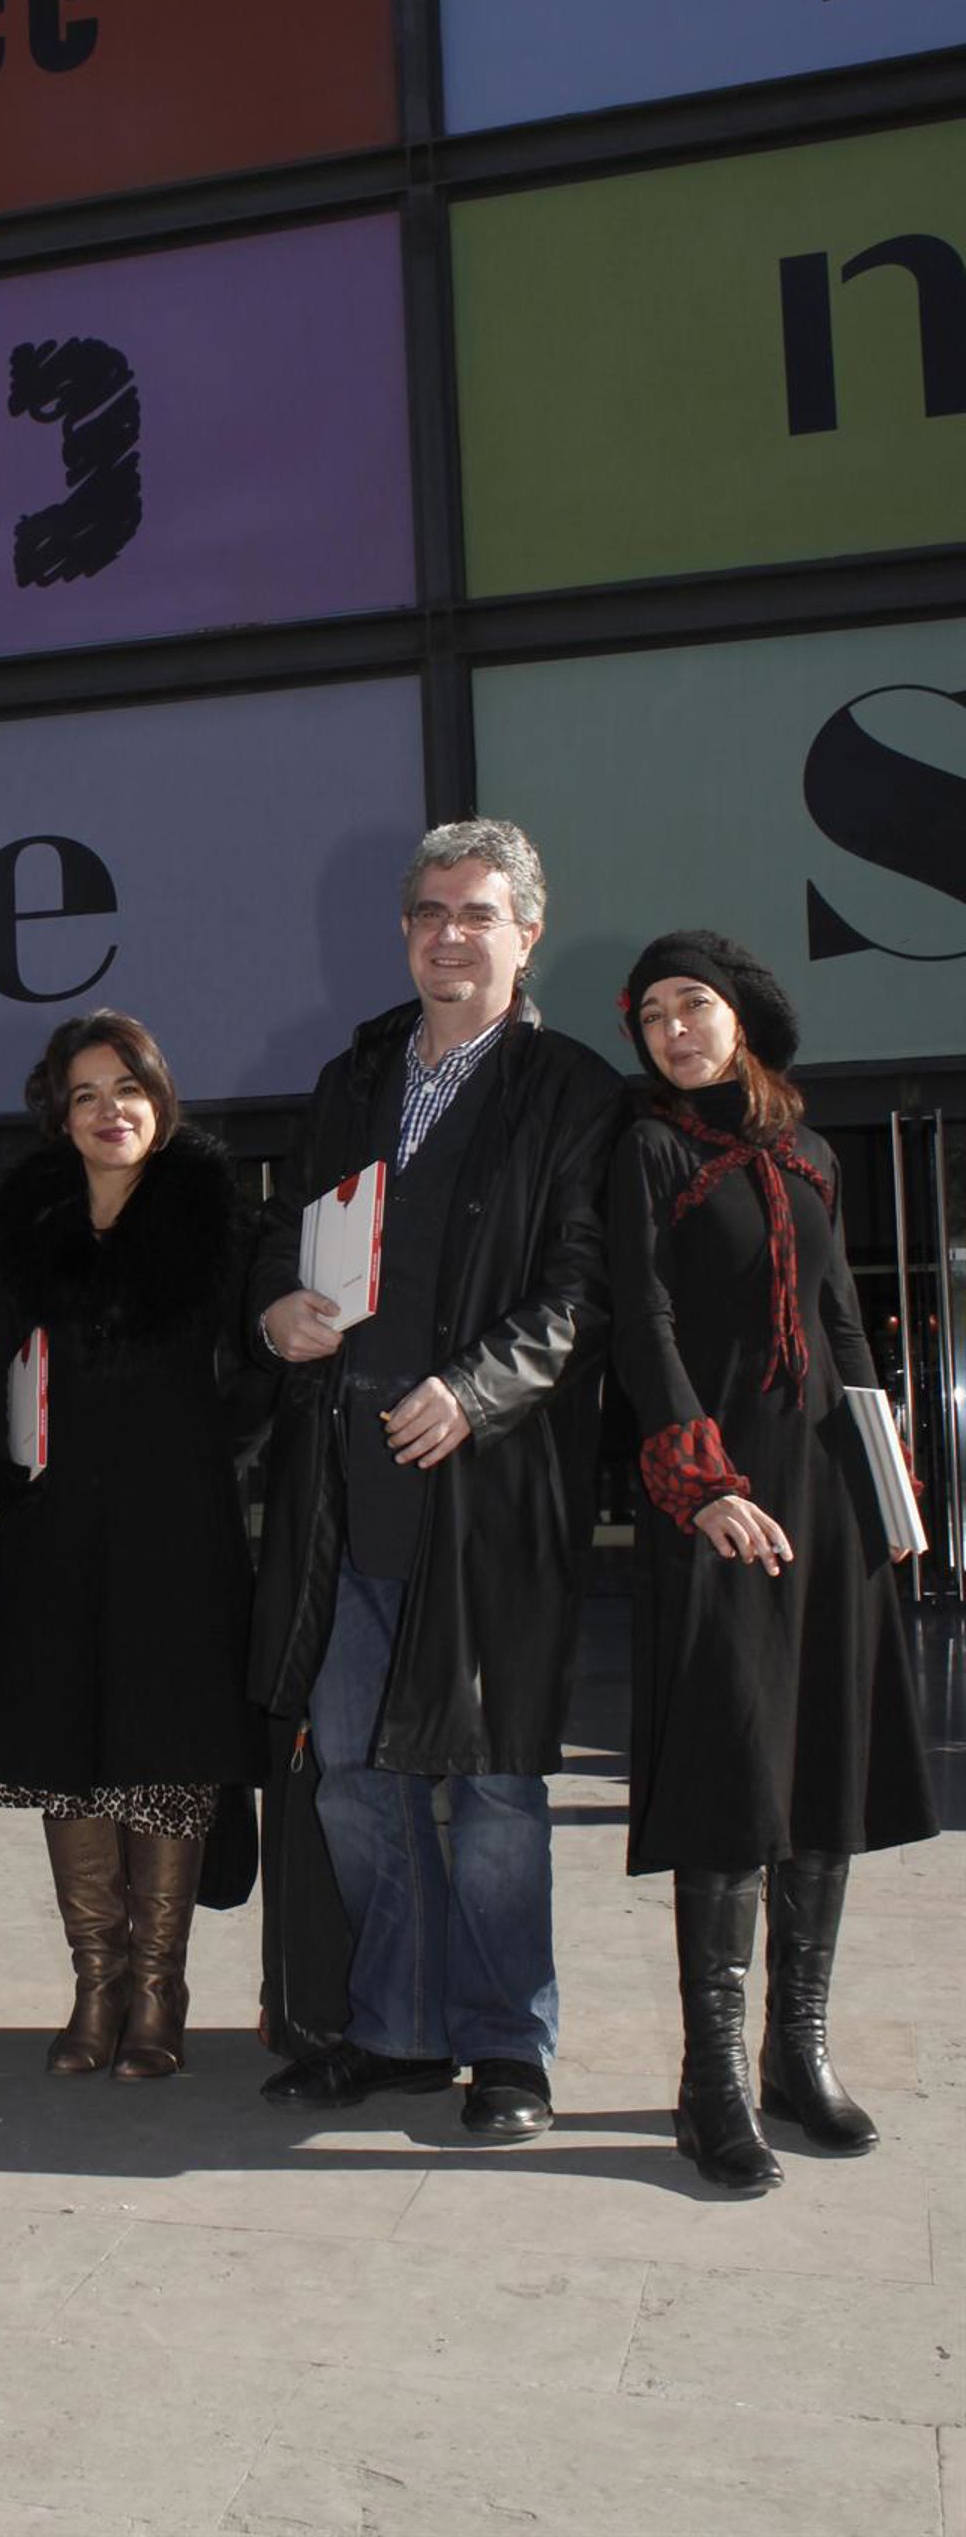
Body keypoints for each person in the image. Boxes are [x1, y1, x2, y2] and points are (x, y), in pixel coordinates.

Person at [248, 817, 626, 2137]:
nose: (450, 935)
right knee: (358, 1778)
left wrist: (473, 1391)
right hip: (345, 1491)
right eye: (429, 912)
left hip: (488, 1499)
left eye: (478, 914)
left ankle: (508, 2046)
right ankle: (399, 2030)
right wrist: (276, 1309)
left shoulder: (575, 1092)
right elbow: (287, 1235)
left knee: (497, 1789)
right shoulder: (352, 1078)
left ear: (528, 933)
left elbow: (585, 1291)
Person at [611, 931, 937, 2190]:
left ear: (741, 1015)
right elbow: (642, 1322)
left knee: (821, 1768)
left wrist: (887, 1483)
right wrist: (701, 1488)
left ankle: (798, 2054)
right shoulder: (647, 1149)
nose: (674, 1030)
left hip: (827, 1498)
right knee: (732, 1771)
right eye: (653, 1015)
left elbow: (841, 1320)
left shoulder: (810, 1154)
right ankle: (713, 2085)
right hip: (721, 1498)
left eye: (693, 1005)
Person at [0, 1013, 261, 2080]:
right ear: (60, 1116)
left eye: (126, 1087)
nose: (109, 1110)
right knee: (70, 1759)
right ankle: (97, 1983)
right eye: (84, 1094)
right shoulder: (26, 1219)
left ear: (159, 1099)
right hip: (57, 1532)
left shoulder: (216, 1217)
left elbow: (262, 1362)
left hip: (178, 1534)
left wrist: (216, 1449)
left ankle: (160, 1989)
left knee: (166, 1755)